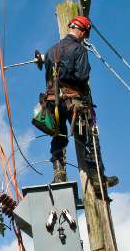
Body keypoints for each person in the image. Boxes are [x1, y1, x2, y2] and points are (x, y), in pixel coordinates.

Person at [43, 15, 118, 191]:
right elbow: (83, 76)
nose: (85, 39)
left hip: (52, 101)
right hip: (73, 101)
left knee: (58, 136)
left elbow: (48, 77)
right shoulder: (78, 49)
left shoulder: (49, 51)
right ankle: (98, 180)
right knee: (89, 139)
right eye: (85, 34)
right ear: (82, 31)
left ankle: (59, 174)